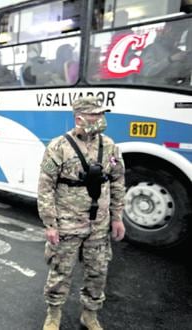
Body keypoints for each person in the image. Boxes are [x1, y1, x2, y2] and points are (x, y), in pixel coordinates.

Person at [37, 96, 126, 330]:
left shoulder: (109, 146)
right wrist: (50, 224)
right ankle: (53, 314)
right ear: (80, 118)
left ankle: (90, 315)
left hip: (99, 224)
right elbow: (46, 187)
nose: (101, 119)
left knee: (98, 271)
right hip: (67, 222)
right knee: (60, 270)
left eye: (102, 114)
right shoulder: (59, 147)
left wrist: (117, 217)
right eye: (96, 115)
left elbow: (117, 181)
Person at [138, 21, 192, 86]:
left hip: (175, 89)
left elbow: (182, 74)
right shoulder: (152, 48)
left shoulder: (178, 52)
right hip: (156, 89)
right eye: (176, 31)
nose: (178, 35)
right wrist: (170, 59)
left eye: (180, 32)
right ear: (167, 31)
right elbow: (147, 71)